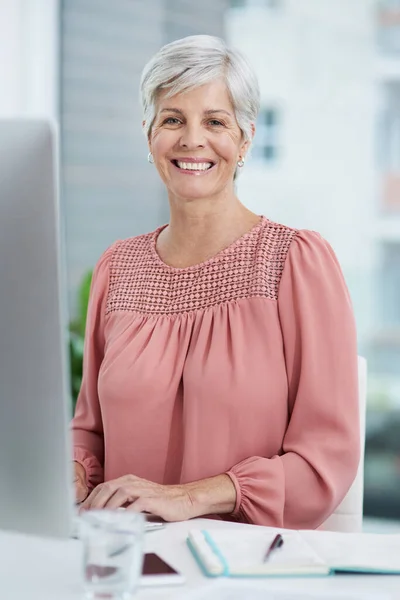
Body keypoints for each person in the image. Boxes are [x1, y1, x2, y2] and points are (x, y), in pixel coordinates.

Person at [72, 35, 360, 529]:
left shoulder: (297, 262)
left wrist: (186, 497)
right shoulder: (116, 267)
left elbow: (323, 460)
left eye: (215, 121)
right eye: (172, 119)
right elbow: (89, 432)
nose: (192, 140)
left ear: (245, 138)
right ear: (148, 135)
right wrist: (74, 474)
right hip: (126, 560)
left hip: (244, 566)